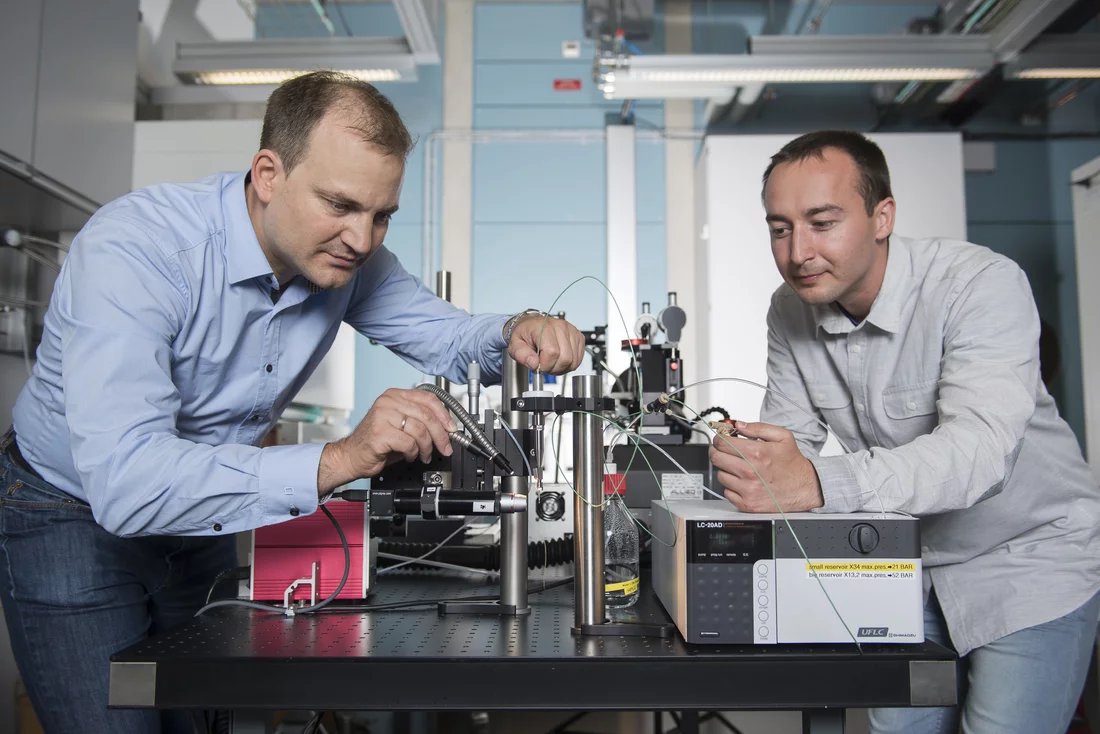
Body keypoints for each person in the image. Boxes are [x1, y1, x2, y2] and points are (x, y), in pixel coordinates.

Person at [0, 71, 585, 733]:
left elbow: (448, 337)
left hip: (200, 514)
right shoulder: (138, 251)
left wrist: (516, 330)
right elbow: (127, 483)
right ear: (268, 175)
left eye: (382, 215)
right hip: (70, 511)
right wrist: (341, 458)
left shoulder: (348, 261)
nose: (361, 239)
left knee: (203, 719)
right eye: (339, 204)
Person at [709, 130, 1100, 733]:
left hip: (1028, 561)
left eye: (822, 222)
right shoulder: (790, 309)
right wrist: (751, 466)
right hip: (906, 569)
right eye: (780, 228)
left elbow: (978, 453)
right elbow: (788, 450)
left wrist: (814, 482)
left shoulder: (979, 284)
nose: (798, 252)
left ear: (882, 217)